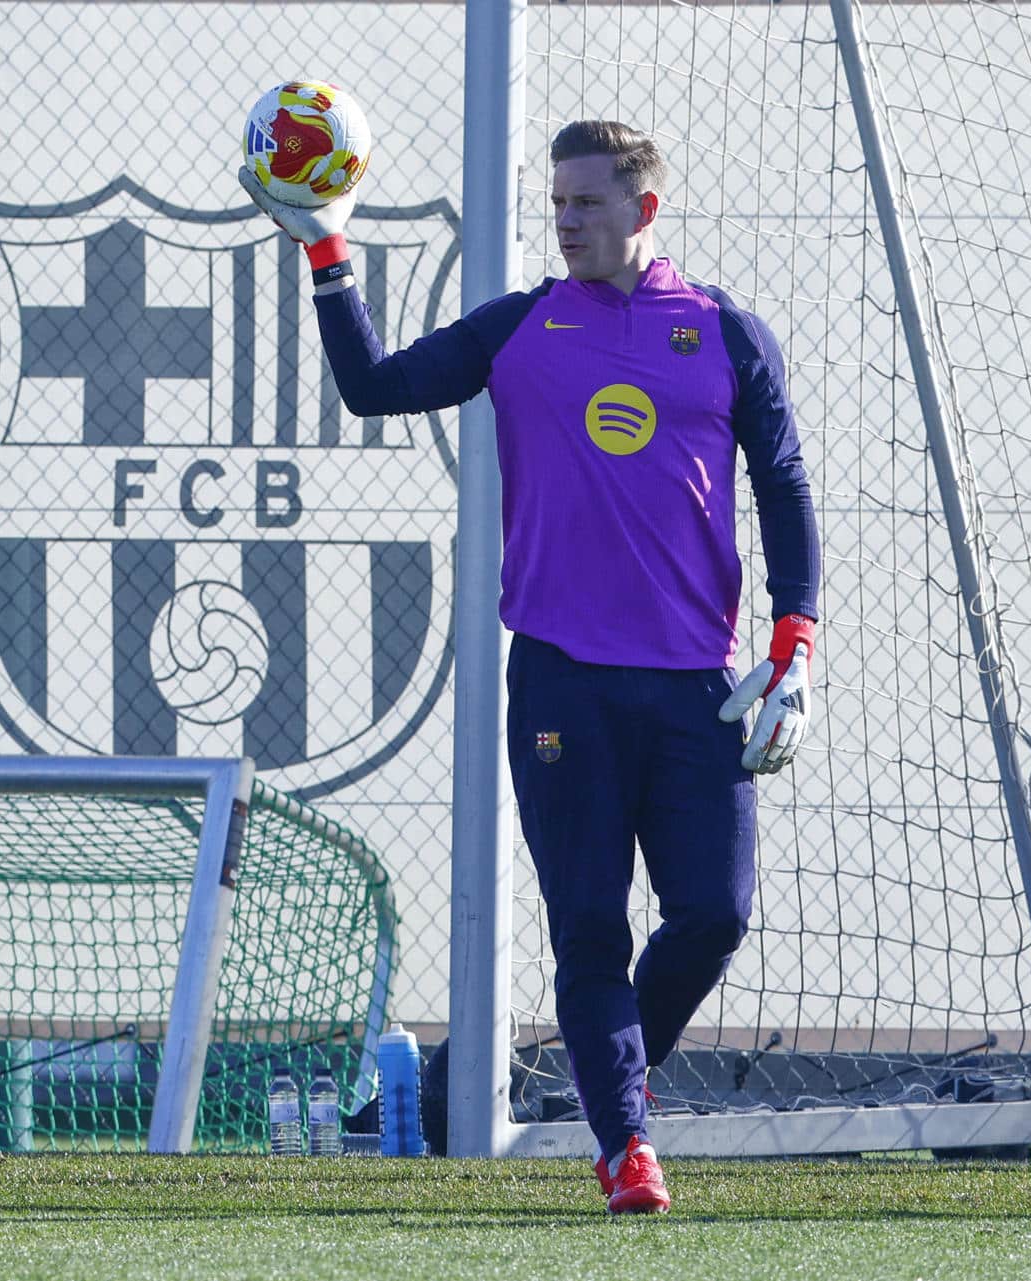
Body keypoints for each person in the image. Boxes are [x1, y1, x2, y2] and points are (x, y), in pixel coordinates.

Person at [238, 120, 820, 1214]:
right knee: (591, 926)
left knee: (715, 912)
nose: (566, 220)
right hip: (562, 683)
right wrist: (326, 250)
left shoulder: (725, 333)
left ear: (645, 209)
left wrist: (795, 644)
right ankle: (626, 1148)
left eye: (588, 203)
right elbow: (373, 387)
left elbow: (784, 487)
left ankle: (614, 1084)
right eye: (557, 202)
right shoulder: (521, 328)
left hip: (701, 682)